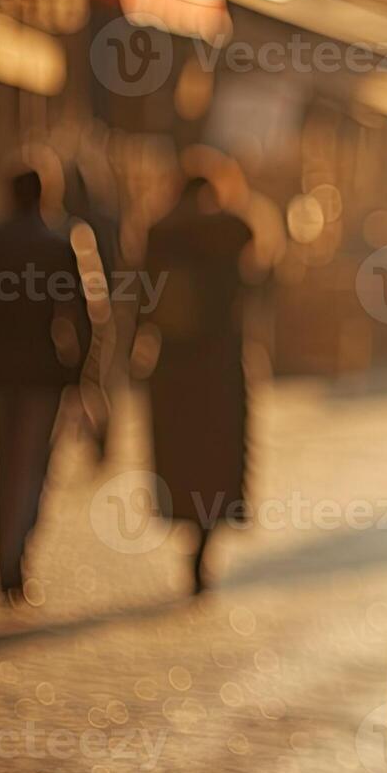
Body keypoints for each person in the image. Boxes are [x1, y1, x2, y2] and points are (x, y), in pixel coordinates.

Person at [139, 172, 255, 595]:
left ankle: (191, 529)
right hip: (220, 364)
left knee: (182, 455)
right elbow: (257, 286)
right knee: (217, 457)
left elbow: (142, 298)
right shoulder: (232, 231)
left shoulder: (159, 232)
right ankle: (204, 545)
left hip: (173, 365)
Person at [0, 168, 91, 606]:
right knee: (30, 466)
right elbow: (83, 316)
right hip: (41, 373)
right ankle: (15, 554)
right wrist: (78, 375)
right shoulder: (60, 244)